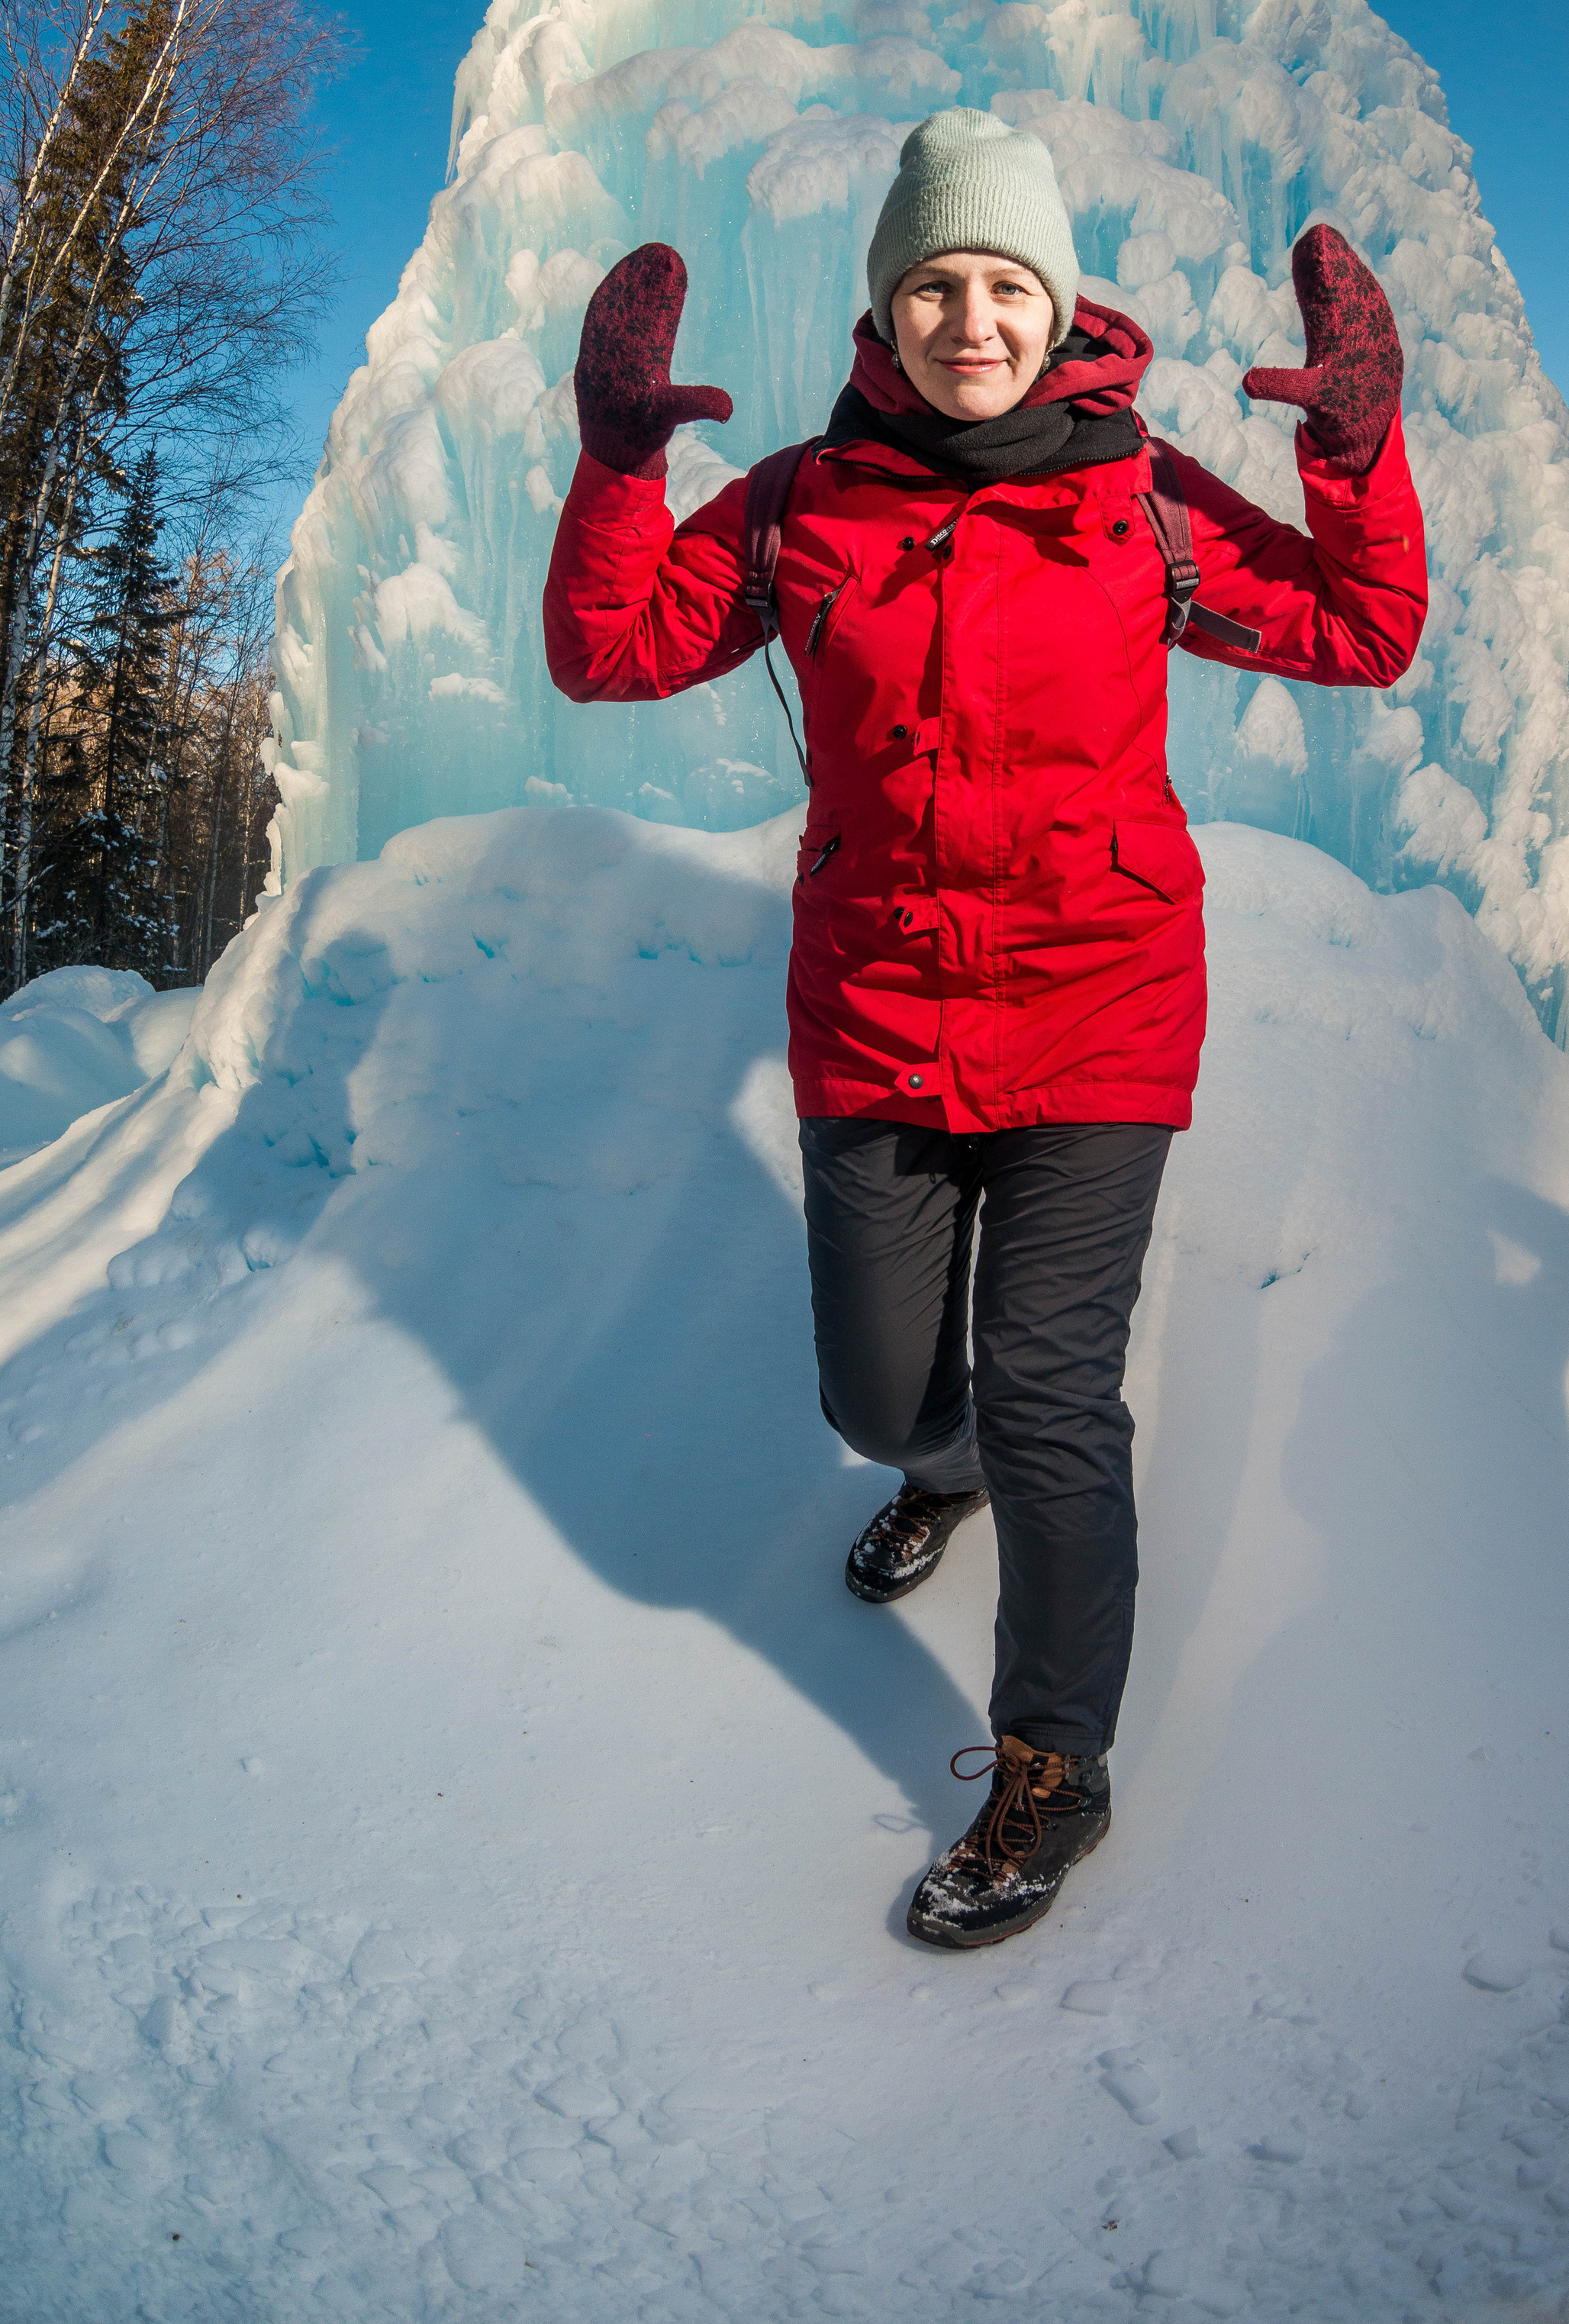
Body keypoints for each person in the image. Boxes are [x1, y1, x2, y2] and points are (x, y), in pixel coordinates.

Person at [543, 109, 1428, 1950]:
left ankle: (1052, 1762)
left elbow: (1360, 623)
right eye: (935, 282)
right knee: (877, 1396)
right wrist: (618, 461)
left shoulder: (1146, 499)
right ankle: (928, 1471)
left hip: (1099, 1005)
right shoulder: (802, 501)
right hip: (876, 1012)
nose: (970, 316)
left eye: (1003, 283)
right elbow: (612, 648)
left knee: (1048, 1386)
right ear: (888, 307)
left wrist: (1350, 447)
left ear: (1056, 304)